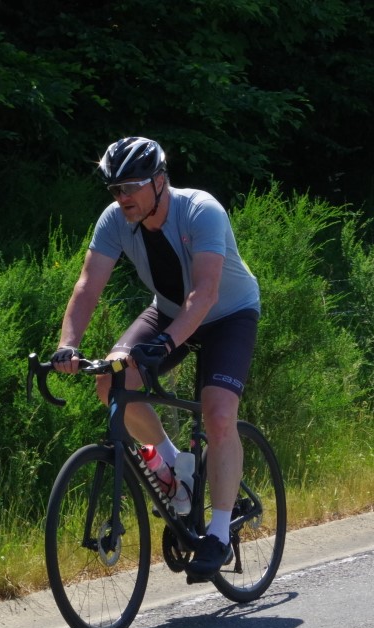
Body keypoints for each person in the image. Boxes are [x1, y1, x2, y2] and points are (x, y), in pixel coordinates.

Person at [51, 136, 260, 579]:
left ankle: (218, 535)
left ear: (159, 181)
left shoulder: (201, 210)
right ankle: (174, 470)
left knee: (218, 414)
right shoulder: (114, 220)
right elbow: (88, 285)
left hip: (228, 314)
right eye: (115, 188)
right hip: (168, 311)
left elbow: (205, 293)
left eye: (131, 187)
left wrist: (165, 344)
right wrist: (67, 345)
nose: (121, 197)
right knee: (111, 380)